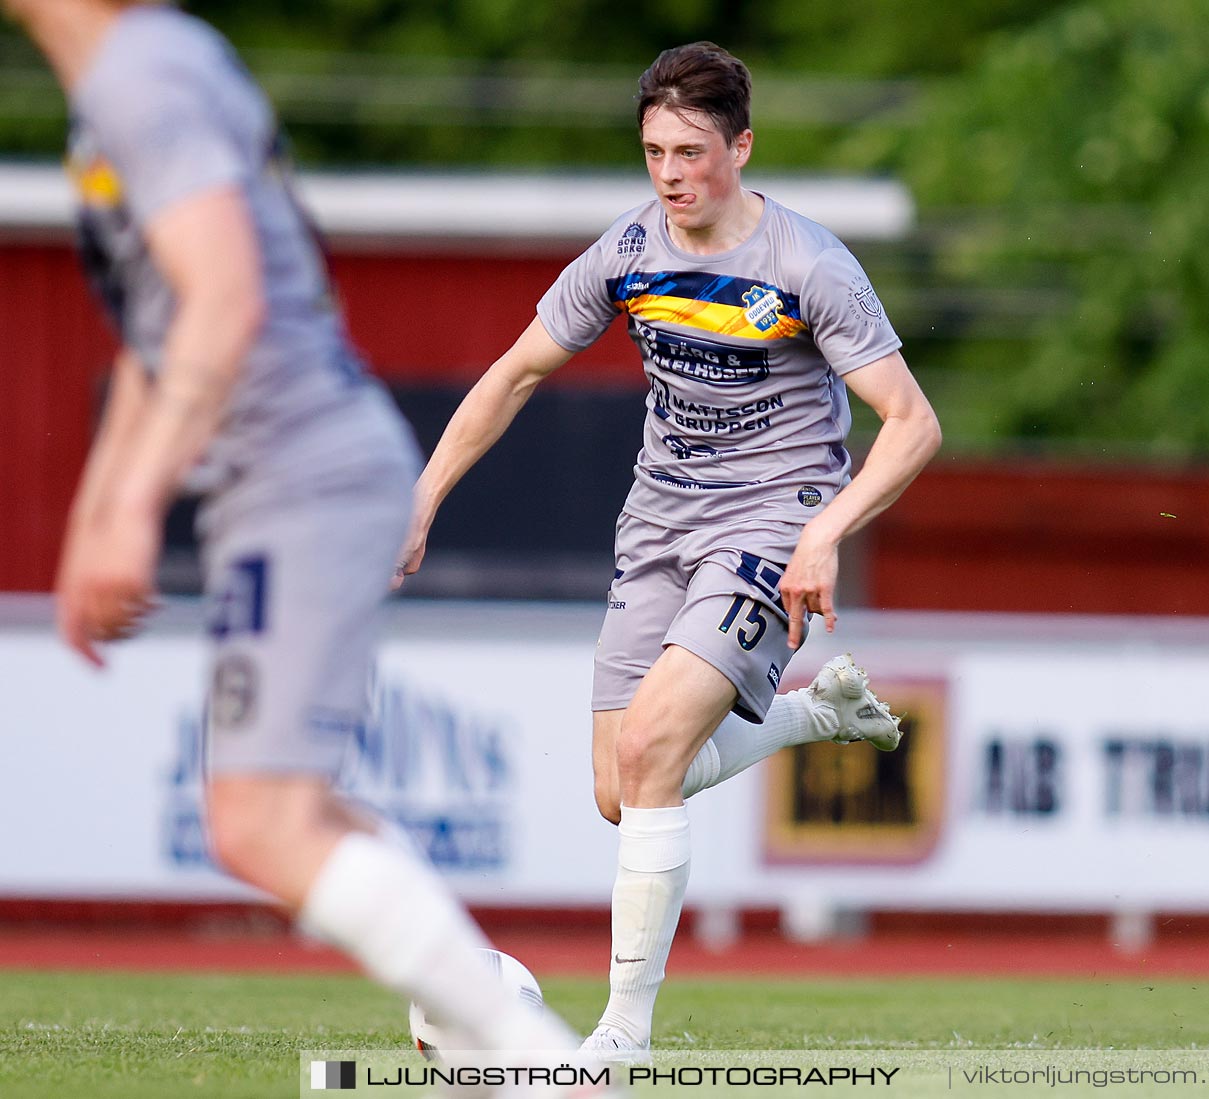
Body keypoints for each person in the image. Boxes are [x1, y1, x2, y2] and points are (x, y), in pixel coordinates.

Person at [11, 0, 582, 1080]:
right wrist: (99, 511)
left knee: (259, 819)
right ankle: (487, 1005)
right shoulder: (130, 81)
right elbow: (160, 323)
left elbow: (223, 301)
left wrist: (133, 506)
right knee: (281, 808)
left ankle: (548, 1063)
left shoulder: (139, 78)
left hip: (299, 468)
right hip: (289, 470)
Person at [396, 42, 942, 1056]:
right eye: (653, 153)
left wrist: (822, 532)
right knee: (621, 787)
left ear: (741, 146)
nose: (670, 175)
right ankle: (811, 714)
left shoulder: (809, 264)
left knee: (652, 754)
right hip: (658, 522)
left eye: (691, 152)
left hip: (774, 519)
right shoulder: (626, 252)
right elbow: (515, 372)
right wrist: (421, 496)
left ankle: (622, 1038)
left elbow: (912, 423)